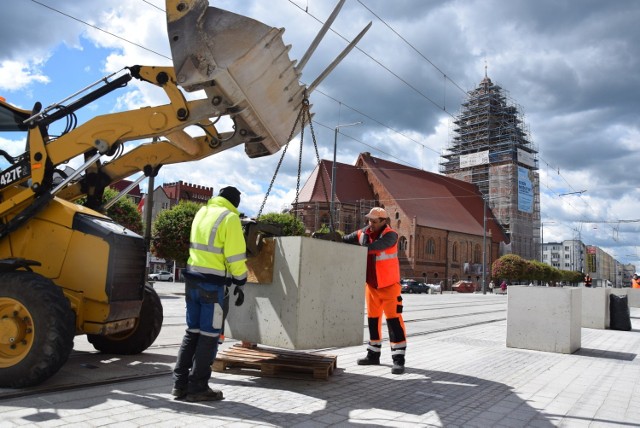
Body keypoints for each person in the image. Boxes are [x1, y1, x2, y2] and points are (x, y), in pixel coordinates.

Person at [172, 186, 248, 402]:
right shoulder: (230, 218)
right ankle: (198, 387)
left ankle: (179, 385)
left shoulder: (202, 212)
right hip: (212, 287)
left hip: (192, 281)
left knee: (192, 332)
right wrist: (241, 280)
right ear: (235, 203)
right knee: (209, 337)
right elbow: (235, 256)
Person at [342, 207, 407, 375]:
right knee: (372, 322)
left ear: (384, 222)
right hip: (371, 286)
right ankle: (373, 354)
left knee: (394, 323)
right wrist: (332, 239)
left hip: (389, 287)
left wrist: (358, 248)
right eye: (369, 220)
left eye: (374, 221)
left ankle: (398, 360)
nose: (370, 223)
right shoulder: (363, 233)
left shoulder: (391, 235)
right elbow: (346, 239)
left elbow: (376, 247)